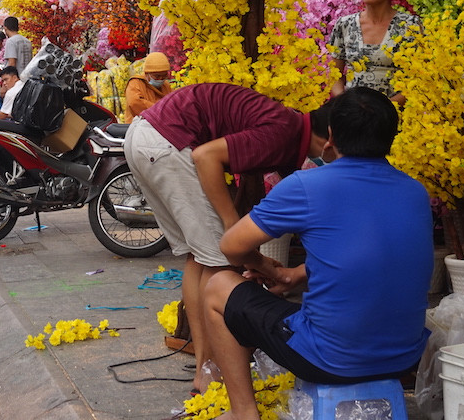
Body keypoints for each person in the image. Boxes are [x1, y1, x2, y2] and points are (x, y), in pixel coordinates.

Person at [203, 88, 433, 419]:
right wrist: (292, 275)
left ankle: (243, 412)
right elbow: (373, 258)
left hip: (329, 359)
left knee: (217, 285)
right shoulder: (414, 191)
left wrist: (264, 267)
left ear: (331, 136)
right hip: (405, 357)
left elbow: (231, 246)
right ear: (390, 138)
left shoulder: (307, 185)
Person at [124, 82, 336, 393]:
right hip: (167, 142)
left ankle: (204, 368)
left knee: (198, 257)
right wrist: (230, 225)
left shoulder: (286, 127)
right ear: (330, 140)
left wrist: (260, 260)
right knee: (219, 262)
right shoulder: (285, 130)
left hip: (145, 137)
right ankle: (209, 374)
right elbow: (206, 156)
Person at [329, 0, 421, 105]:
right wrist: (344, 101)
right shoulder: (344, 25)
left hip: (396, 117)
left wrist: (384, 109)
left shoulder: (410, 26)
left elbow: (419, 78)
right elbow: (334, 74)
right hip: (352, 116)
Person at [124, 51, 173, 122]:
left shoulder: (166, 85)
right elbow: (135, 103)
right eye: (157, 76)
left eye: (164, 76)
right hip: (138, 126)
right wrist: (162, 111)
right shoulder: (135, 83)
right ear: (147, 74)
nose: (160, 79)